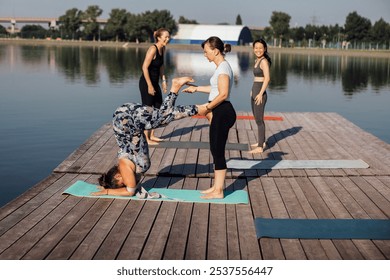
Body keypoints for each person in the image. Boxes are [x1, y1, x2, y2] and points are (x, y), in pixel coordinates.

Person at [92, 77, 208, 196]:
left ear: (117, 176)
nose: (126, 183)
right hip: (128, 122)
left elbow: (129, 191)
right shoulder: (130, 166)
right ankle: (193, 103)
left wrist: (107, 191)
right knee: (163, 116)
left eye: (122, 183)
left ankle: (191, 101)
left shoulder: (124, 167)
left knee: (162, 118)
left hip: (125, 118)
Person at [183, 36, 236, 199]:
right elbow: (215, 90)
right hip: (219, 110)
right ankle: (216, 187)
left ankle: (219, 191)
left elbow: (224, 94)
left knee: (217, 150)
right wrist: (197, 89)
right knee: (215, 149)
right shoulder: (221, 67)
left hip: (222, 111)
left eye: (206, 52)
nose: (205, 55)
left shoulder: (223, 69)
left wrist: (207, 108)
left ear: (216, 51)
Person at [139, 28, 170, 145]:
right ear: (159, 38)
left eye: (168, 37)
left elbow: (161, 66)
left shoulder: (163, 48)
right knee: (148, 110)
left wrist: (163, 80)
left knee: (157, 108)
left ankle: (151, 135)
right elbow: (144, 67)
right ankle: (145, 139)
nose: (168, 39)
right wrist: (150, 86)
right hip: (146, 83)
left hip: (155, 82)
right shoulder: (153, 49)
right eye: (166, 37)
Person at [249, 39, 272, 154]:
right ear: (253, 49)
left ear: (265, 49)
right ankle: (261, 141)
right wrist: (252, 91)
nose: (258, 50)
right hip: (255, 91)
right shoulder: (257, 60)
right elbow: (257, 78)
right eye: (256, 48)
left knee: (259, 120)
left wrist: (260, 93)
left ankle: (260, 147)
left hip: (260, 94)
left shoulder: (263, 61)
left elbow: (267, 78)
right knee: (256, 118)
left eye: (260, 48)